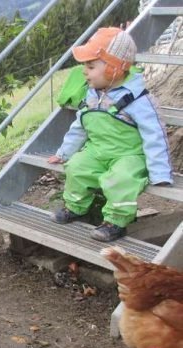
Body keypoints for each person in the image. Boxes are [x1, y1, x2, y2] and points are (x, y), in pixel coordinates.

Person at [48, 27, 172, 242]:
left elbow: (155, 135)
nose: (84, 72)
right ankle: (75, 207)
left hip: (129, 155)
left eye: (91, 66)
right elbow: (79, 127)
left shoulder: (138, 100)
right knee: (77, 167)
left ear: (114, 68)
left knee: (121, 179)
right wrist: (64, 153)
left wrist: (159, 171)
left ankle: (116, 221)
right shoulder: (92, 95)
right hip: (98, 150)